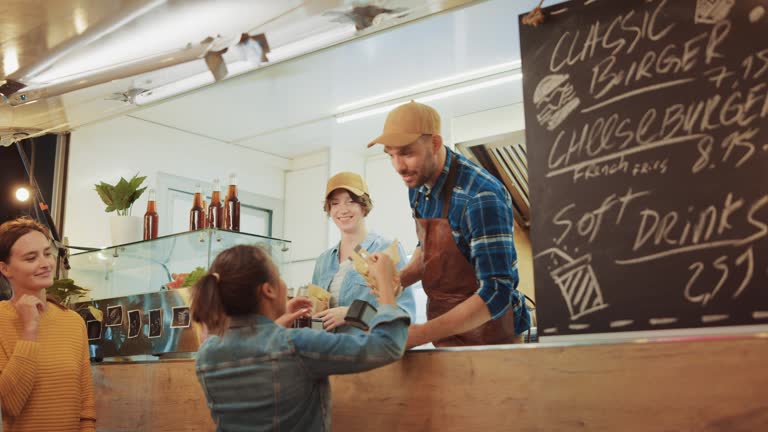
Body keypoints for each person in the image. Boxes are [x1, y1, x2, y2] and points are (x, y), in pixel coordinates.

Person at [190, 243, 409, 431]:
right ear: (268, 290)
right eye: (279, 276)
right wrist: (385, 287)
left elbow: (253, 346)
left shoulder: (206, 355)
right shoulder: (296, 344)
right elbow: (387, 345)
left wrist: (275, 316)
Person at [367, 101, 531, 348]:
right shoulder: (418, 186)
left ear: (434, 143)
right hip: (446, 339)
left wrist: (419, 334)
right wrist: (398, 279)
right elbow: (428, 251)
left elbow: (497, 292)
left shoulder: (480, 195)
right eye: (391, 155)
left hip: (493, 341)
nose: (399, 167)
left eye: (407, 153)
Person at [0, 217, 96, 432]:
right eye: (31, 257)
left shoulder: (72, 322)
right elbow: (9, 404)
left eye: (47, 253)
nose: (45, 263)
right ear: (5, 268)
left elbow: (86, 410)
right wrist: (29, 330)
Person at [312, 172, 416, 332]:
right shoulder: (323, 261)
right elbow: (316, 317)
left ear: (363, 205)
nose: (343, 210)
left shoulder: (386, 250)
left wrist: (353, 314)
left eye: (351, 201)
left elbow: (405, 316)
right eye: (335, 203)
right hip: (329, 353)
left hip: (369, 353)